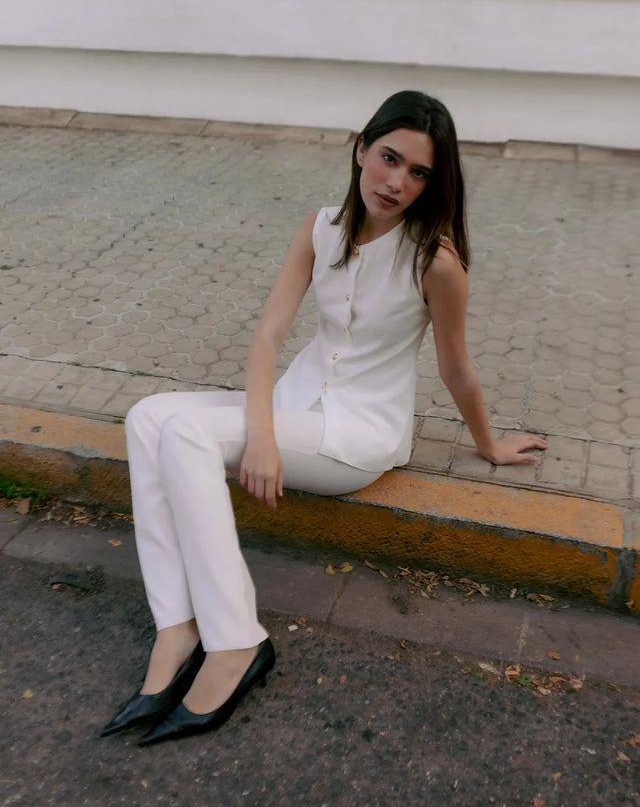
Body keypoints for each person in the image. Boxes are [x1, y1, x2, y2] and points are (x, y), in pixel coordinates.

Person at [101, 90, 547, 746]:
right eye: (389, 158)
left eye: (418, 172)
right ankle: (177, 626)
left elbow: (456, 367)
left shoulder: (436, 261)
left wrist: (489, 444)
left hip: (356, 437)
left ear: (432, 183)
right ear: (361, 149)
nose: (396, 181)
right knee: (146, 417)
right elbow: (267, 335)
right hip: (295, 410)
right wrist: (262, 434)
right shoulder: (320, 228)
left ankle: (236, 642)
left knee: (188, 434)